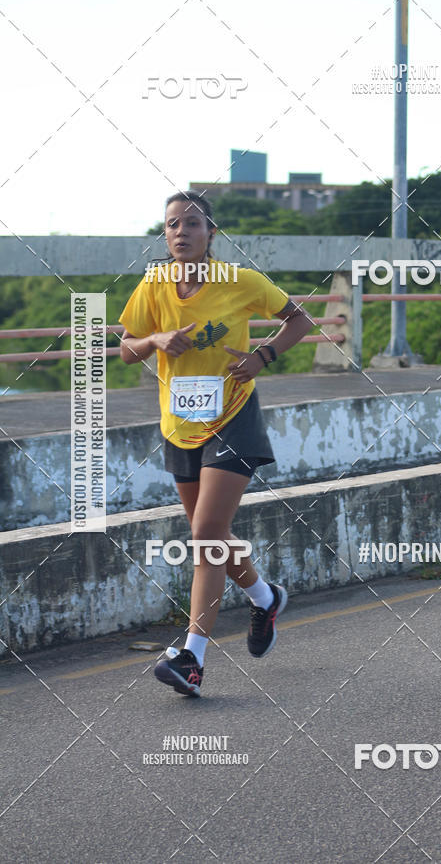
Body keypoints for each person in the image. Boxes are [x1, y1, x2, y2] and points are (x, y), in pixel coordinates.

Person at [118, 191, 313, 697]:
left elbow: (300, 320)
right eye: (172, 224)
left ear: (211, 232)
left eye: (192, 223)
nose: (181, 232)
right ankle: (265, 597)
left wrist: (261, 357)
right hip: (181, 423)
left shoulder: (240, 280)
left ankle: (191, 659)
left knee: (205, 533)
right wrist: (154, 341)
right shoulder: (154, 284)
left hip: (233, 417)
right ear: (164, 234)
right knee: (213, 534)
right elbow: (125, 348)